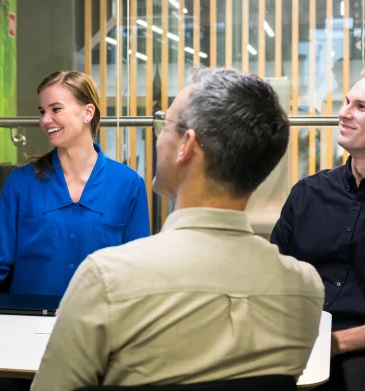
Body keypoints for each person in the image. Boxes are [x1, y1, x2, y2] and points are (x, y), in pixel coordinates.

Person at [32, 68, 325, 390]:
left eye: (164, 125)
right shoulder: (304, 289)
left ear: (186, 145)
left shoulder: (107, 279)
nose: (159, 136)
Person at [0, 70, 150, 298]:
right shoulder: (21, 184)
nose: (45, 120)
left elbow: (137, 271)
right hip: (27, 324)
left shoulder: (129, 185)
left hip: (100, 326)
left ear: (88, 112)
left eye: (56, 109)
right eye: (42, 111)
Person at [271, 64, 365, 391]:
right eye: (346, 102)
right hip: (293, 344)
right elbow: (272, 281)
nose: (344, 113)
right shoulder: (307, 193)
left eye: (361, 107)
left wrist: (335, 343)